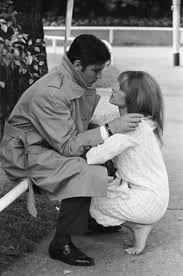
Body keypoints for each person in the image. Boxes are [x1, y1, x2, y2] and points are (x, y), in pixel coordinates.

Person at [0, 35, 142, 266]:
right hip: (25, 154)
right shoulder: (52, 92)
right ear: (77, 65)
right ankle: (60, 244)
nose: (99, 77)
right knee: (83, 169)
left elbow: (75, 129)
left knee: (103, 155)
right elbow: (68, 146)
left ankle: (87, 220)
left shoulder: (71, 79)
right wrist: (109, 128)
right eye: (96, 71)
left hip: (46, 144)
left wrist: (105, 135)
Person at [86, 71, 169, 256]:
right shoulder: (143, 122)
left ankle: (139, 226)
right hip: (154, 197)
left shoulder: (131, 128)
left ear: (133, 98)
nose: (112, 89)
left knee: (95, 205)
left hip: (147, 201)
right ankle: (140, 225)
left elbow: (93, 156)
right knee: (101, 189)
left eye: (120, 89)